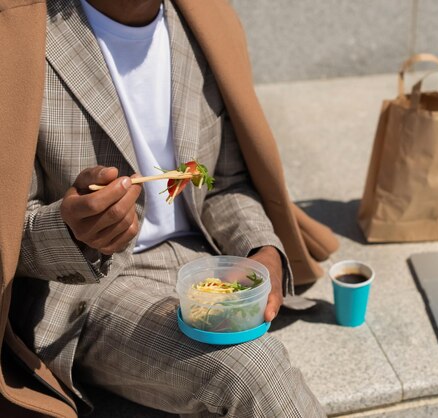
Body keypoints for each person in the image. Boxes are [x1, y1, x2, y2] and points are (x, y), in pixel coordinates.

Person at [1, 0, 337, 416]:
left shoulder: (204, 22)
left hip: (205, 262)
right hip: (94, 285)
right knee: (252, 367)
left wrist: (261, 251)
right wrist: (72, 231)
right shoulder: (17, 36)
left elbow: (224, 181)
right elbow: (10, 227)